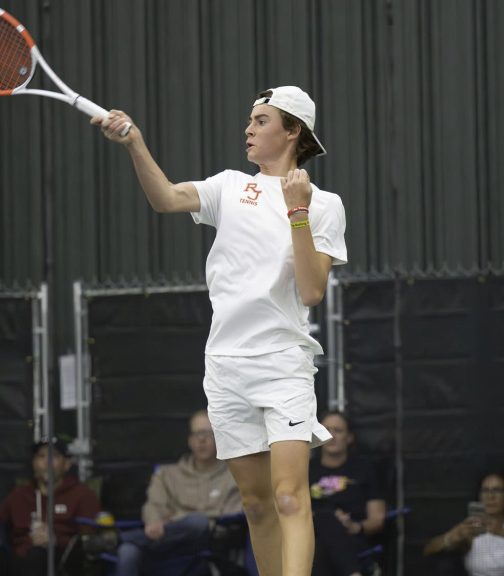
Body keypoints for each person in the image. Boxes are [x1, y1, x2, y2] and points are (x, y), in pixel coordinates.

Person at [94, 85, 347, 576]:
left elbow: (312, 291)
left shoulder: (323, 204)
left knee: (290, 498)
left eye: (261, 121)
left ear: (292, 131)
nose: (248, 129)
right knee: (256, 504)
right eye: (250, 120)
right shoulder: (229, 186)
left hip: (283, 364)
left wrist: (297, 211)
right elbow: (166, 198)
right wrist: (134, 144)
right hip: (226, 367)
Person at [116, 409, 242, 576]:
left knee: (199, 522)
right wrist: (156, 521)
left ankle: (120, 538)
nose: (201, 440)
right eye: (196, 434)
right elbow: (154, 507)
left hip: (209, 543)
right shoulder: (167, 474)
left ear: (220, 436)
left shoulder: (234, 476)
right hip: (166, 543)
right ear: (189, 440)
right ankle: (126, 541)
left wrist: (175, 517)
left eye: (208, 433)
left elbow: (228, 516)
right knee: (128, 551)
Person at [0, 438, 101, 575]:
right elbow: (0, 520)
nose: (46, 462)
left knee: (37, 554)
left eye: (54, 456)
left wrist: (56, 540)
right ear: (33, 463)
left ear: (67, 464)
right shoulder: (20, 494)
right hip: (18, 559)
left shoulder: (82, 495)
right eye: (41, 456)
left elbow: (90, 539)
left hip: (59, 561)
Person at [422, 471, 504, 576]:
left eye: (497, 491)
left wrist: (501, 531)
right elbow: (429, 550)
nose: (490, 497)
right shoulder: (470, 526)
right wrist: (453, 536)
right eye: (485, 491)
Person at [309, 411, 386, 576]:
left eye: (338, 430)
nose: (331, 435)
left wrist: (356, 527)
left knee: (322, 546)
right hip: (310, 533)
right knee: (325, 520)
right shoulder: (306, 470)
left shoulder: (364, 470)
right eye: (326, 429)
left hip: (351, 536)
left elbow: (377, 518)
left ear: (349, 437)